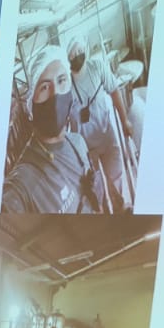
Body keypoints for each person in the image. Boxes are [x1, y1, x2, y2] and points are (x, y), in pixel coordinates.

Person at [2, 45, 97, 214]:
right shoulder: (24, 183)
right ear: (31, 104)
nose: (55, 94)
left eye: (61, 81)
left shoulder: (78, 142)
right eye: (44, 87)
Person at [67, 38, 131, 210]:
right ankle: (105, 212)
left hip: (106, 135)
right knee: (97, 188)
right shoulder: (66, 85)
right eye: (72, 54)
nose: (77, 55)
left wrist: (125, 120)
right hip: (86, 148)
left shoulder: (97, 67)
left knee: (115, 176)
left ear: (85, 50)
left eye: (79, 51)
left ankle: (120, 208)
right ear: (68, 58)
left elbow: (114, 90)